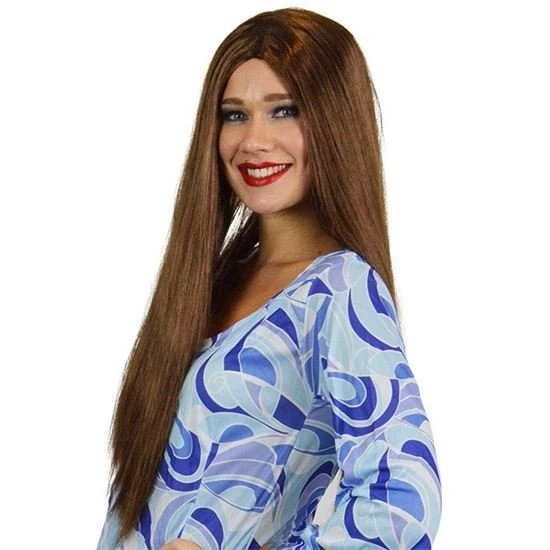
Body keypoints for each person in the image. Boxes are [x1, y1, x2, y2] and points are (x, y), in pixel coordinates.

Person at [97, 7, 442, 549]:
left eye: (284, 110)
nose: (254, 140)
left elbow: (402, 503)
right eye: (235, 115)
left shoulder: (340, 290)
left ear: (334, 121)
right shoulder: (210, 283)